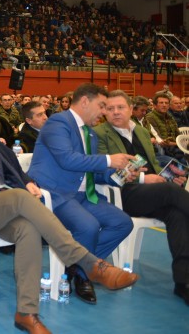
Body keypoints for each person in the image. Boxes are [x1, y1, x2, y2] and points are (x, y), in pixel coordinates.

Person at [0, 87, 139, 333]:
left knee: (28, 230)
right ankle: (89, 264)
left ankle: (27, 313)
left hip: (3, 202)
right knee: (20, 199)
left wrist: (27, 182)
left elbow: (13, 167)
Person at [27, 83, 135, 305]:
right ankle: (84, 275)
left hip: (84, 195)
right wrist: (109, 159)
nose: (104, 112)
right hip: (55, 193)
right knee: (88, 226)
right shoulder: (58, 122)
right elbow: (67, 159)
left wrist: (120, 175)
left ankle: (77, 266)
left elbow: (93, 171)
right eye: (102, 105)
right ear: (85, 101)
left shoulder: (91, 135)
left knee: (122, 223)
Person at [95, 90, 189, 306]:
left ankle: (183, 283)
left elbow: (155, 164)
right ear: (104, 112)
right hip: (121, 193)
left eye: (120, 107)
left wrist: (169, 177)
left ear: (131, 109)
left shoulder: (143, 132)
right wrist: (145, 179)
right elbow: (102, 170)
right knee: (169, 192)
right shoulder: (99, 134)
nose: (116, 112)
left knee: (177, 214)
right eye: (110, 108)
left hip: (152, 194)